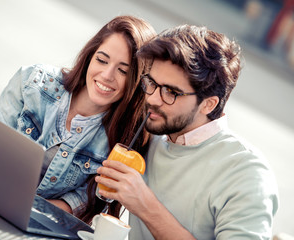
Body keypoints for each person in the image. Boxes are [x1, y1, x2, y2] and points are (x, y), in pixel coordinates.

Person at [95, 24, 279, 239]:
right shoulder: (151, 133)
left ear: (208, 104)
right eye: (151, 83)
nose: (152, 99)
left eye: (171, 92)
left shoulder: (247, 173)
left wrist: (146, 206)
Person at [0, 15, 156, 220]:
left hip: (38, 224)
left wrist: (29, 211)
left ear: (137, 81)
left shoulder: (124, 141)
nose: (106, 75)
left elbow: (88, 199)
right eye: (102, 60)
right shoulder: (33, 81)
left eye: (123, 71)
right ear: (90, 56)